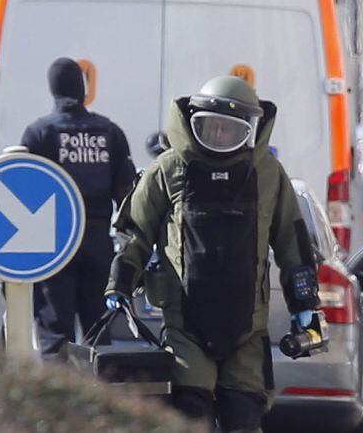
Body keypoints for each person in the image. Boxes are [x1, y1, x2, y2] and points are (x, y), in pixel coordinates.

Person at [105, 76, 323, 431]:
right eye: (211, 127)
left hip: (247, 326)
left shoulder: (267, 173)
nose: (220, 136)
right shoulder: (170, 168)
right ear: (194, 124)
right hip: (185, 323)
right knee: (191, 414)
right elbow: (135, 233)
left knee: (244, 417)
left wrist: (305, 304)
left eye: (230, 130)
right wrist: (119, 283)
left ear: (250, 131)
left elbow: (292, 243)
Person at [21, 57, 135, 359]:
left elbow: (25, 194)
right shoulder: (109, 132)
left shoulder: (39, 134)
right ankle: (101, 398)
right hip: (98, 244)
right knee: (99, 334)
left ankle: (59, 402)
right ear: (83, 87)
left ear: (52, 89)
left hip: (55, 247)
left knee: (55, 335)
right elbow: (127, 195)